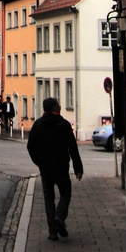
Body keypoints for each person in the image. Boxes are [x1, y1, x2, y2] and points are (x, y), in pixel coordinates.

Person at [26, 96, 84, 241]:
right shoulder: (63, 125)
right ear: (53, 108)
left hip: (45, 168)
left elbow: (31, 146)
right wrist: (78, 166)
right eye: (57, 104)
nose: (59, 106)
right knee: (65, 192)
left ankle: (52, 231)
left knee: (48, 197)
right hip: (61, 167)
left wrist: (39, 162)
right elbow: (72, 147)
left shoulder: (38, 125)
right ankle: (60, 216)